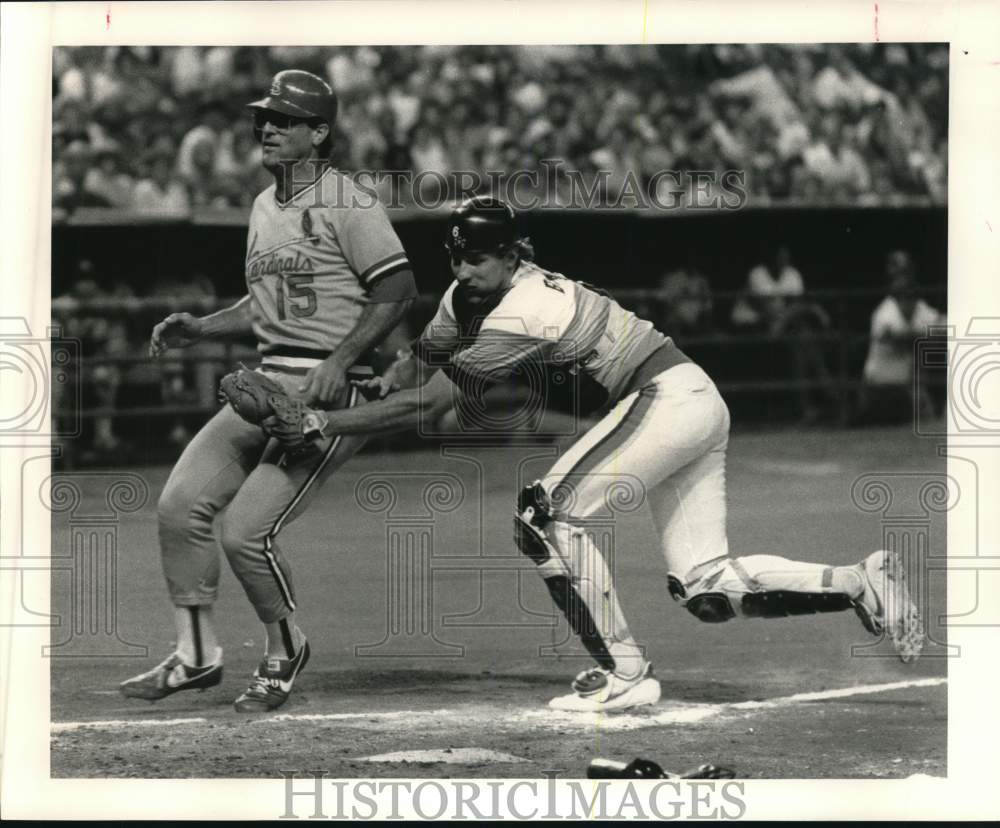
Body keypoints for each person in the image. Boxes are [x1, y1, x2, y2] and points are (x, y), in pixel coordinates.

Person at [288, 196, 924, 713]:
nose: (462, 271)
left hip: (666, 396)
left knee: (542, 517)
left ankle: (623, 671)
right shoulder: (467, 297)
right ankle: (856, 581)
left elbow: (430, 408)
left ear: (513, 256)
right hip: (684, 402)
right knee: (704, 588)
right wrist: (368, 383)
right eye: (455, 257)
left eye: (477, 259)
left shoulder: (528, 307)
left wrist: (324, 422)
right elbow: (419, 364)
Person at [119, 69, 417, 712]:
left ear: (319, 133)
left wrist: (341, 360)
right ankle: (196, 657)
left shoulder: (349, 201)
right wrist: (204, 327)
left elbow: (397, 290)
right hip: (265, 383)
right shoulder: (262, 205)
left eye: (285, 119)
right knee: (179, 508)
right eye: (265, 117)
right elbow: (264, 303)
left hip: (329, 396)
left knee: (245, 534)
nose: (269, 127)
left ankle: (285, 647)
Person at [859, 251, 944, 423]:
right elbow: (894, 337)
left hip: (907, 386)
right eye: (897, 274)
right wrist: (925, 334)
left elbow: (944, 323)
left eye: (906, 273)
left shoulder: (919, 307)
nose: (902, 280)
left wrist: (929, 334)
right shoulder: (884, 312)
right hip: (880, 388)